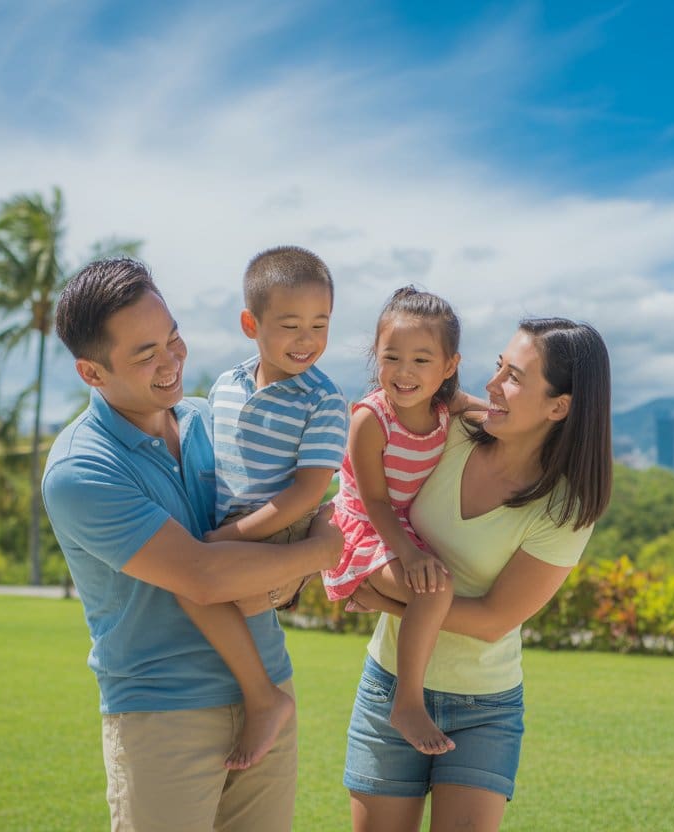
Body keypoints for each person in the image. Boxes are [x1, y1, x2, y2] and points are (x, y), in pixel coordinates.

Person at [41, 256, 342, 832]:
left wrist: (287, 571)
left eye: (172, 338)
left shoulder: (213, 420)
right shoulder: (82, 471)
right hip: (164, 713)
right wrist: (321, 553)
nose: (171, 360)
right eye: (144, 353)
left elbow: (273, 539)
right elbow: (204, 576)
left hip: (272, 691)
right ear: (92, 373)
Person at [344, 317, 613, 832]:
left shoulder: (565, 508)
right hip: (389, 684)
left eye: (514, 377)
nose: (492, 386)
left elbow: (493, 620)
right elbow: (371, 499)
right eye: (497, 367)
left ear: (560, 407)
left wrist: (386, 601)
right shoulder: (450, 435)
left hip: (484, 708)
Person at [169, 245, 349, 771]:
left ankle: (265, 699)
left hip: (276, 530)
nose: (307, 340)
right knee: (200, 587)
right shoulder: (225, 386)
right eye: (290, 325)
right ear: (251, 323)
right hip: (233, 528)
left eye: (320, 325)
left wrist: (228, 540)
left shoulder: (323, 400)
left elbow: (305, 494)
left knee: (195, 588)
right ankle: (263, 695)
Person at [322, 286, 483, 756]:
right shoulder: (372, 418)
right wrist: (409, 554)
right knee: (435, 589)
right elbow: (373, 500)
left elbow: (493, 414)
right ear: (377, 357)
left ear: (449, 366)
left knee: (433, 592)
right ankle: (407, 702)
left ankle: (375, 598)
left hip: (401, 530)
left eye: (421, 360)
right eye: (392, 358)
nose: (404, 373)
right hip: (365, 528)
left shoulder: (443, 406)